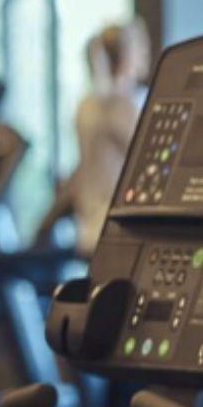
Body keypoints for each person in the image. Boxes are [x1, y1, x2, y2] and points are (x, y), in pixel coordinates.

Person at [70, 20, 150, 256]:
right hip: (117, 229)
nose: (146, 53)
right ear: (127, 55)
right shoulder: (119, 107)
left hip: (89, 227)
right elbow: (150, 157)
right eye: (141, 48)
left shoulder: (86, 104)